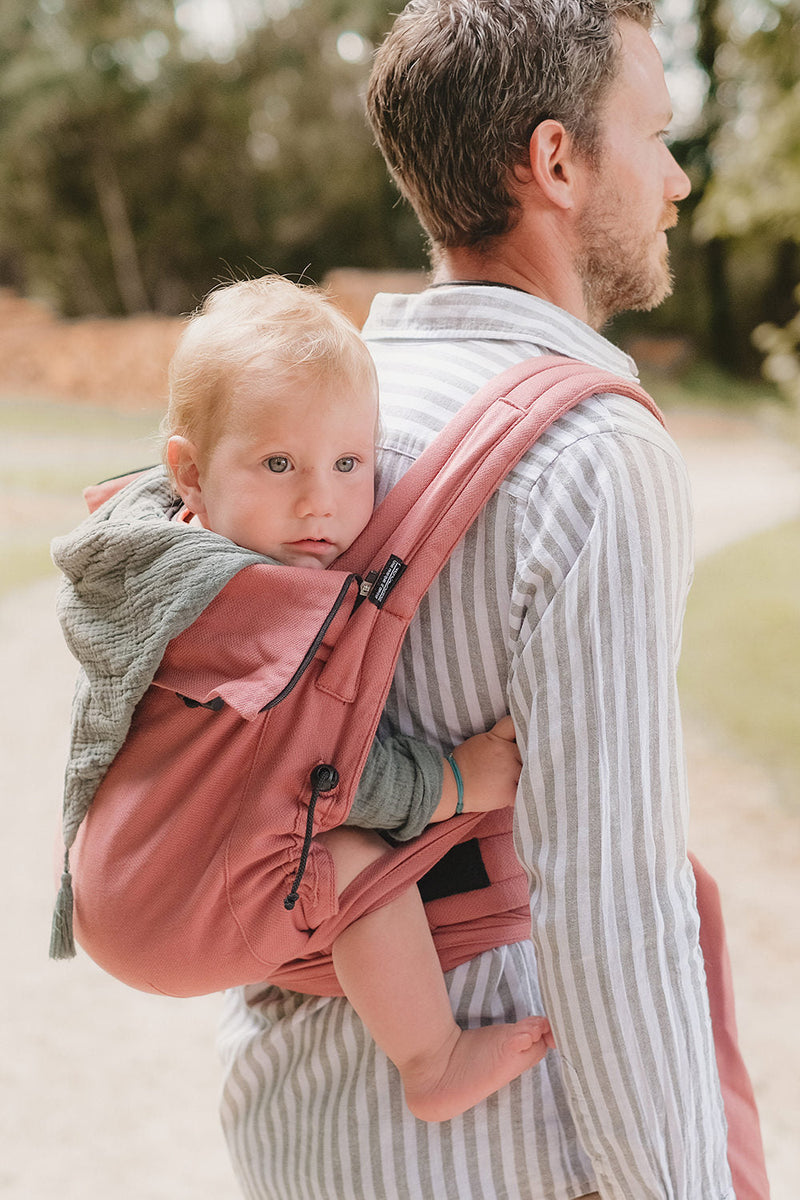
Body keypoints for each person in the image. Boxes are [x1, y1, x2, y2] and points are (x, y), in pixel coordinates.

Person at [217, 3, 768, 1199]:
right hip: (509, 1145)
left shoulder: (317, 414)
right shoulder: (588, 453)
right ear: (554, 161)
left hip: (298, 1116)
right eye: (654, 135)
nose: (675, 179)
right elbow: (611, 911)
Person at [56, 273, 551, 1122]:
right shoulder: (250, 610)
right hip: (172, 917)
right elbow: (320, 777)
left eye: (350, 463)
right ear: (191, 471)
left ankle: (292, 951)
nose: (320, 500)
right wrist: (457, 784)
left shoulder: (156, 554)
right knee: (360, 870)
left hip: (124, 880)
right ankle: (431, 1060)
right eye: (278, 463)